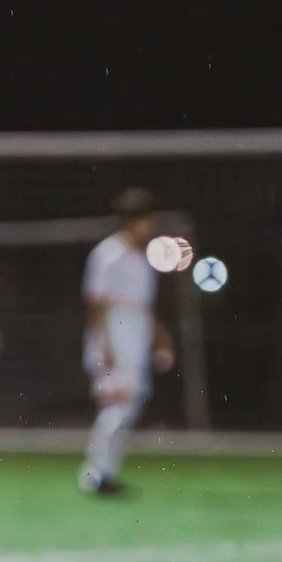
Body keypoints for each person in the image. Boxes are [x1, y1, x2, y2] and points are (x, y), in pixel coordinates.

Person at [79, 188, 192, 494]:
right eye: (144, 220)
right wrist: (103, 344)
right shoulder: (107, 254)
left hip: (136, 333)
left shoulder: (142, 261)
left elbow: (145, 308)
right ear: (130, 221)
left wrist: (162, 337)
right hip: (114, 332)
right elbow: (95, 303)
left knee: (130, 405)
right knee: (117, 405)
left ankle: (107, 472)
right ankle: (93, 472)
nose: (149, 227)